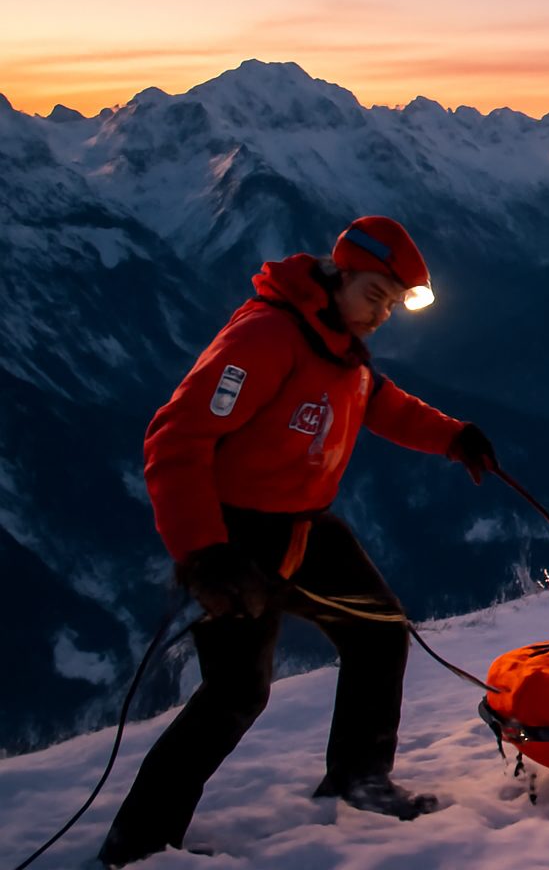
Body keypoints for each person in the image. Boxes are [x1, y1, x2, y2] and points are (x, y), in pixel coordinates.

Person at [98, 216, 500, 867]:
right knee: (236, 693)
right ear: (340, 272)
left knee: (379, 630)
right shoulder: (266, 338)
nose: (381, 315)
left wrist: (454, 436)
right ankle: (137, 845)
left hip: (304, 529)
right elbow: (177, 438)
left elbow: (377, 400)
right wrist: (203, 552)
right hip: (236, 541)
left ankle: (359, 777)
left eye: (392, 304)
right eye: (375, 295)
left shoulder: (336, 341)